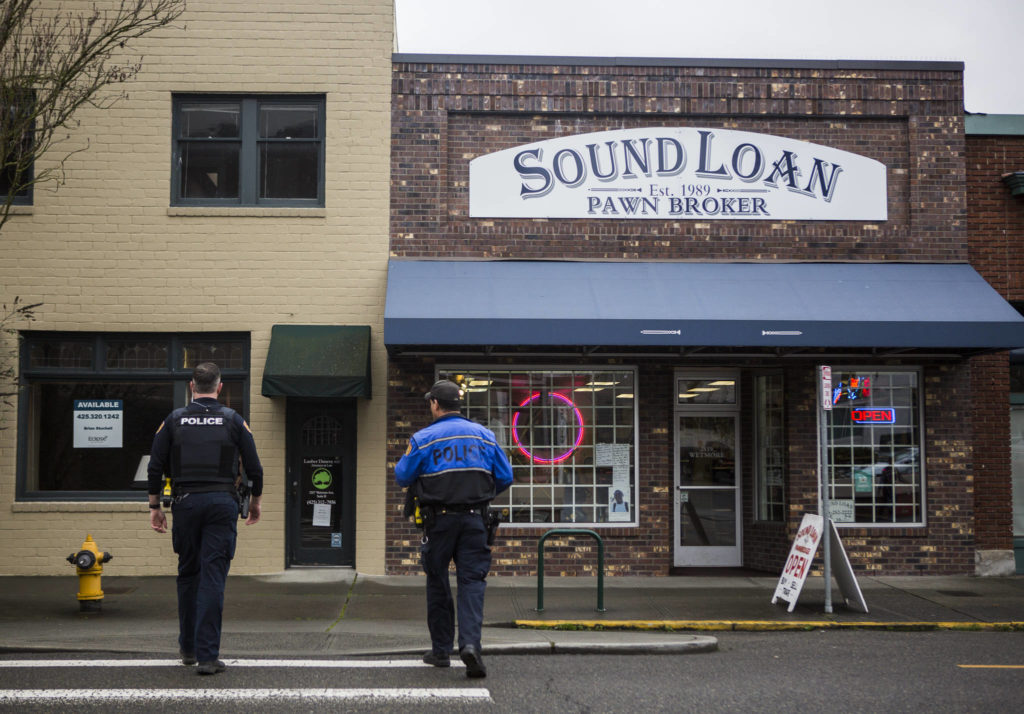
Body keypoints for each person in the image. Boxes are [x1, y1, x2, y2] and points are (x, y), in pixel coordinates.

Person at [147, 362, 263, 676]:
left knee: (188, 574)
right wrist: (255, 503)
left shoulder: (173, 420)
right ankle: (208, 657)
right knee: (213, 576)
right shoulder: (233, 421)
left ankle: (188, 648)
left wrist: (155, 507)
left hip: (185, 503)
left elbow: (155, 466)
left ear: (191, 386)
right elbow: (254, 468)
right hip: (222, 503)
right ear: (220, 387)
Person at [395, 379, 513, 679]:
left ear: (435, 404)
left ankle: (441, 651)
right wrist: (480, 495)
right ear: (458, 405)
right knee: (472, 583)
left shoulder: (424, 438)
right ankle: (471, 646)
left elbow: (402, 476)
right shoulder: (486, 437)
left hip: (439, 522)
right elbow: (505, 476)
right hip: (475, 520)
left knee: (438, 581)